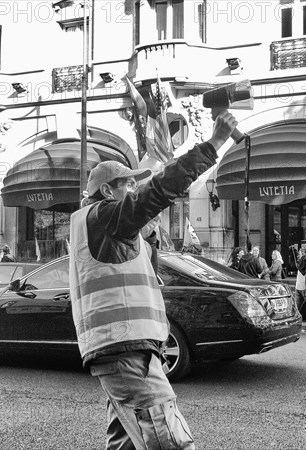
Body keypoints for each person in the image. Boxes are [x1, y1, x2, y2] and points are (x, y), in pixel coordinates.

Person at [68, 111, 237, 450]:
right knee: (169, 441)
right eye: (129, 184)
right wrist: (214, 143)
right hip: (125, 348)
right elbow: (158, 192)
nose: (135, 189)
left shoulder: (106, 226)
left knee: (127, 442)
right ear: (106, 190)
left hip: (124, 349)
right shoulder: (105, 217)